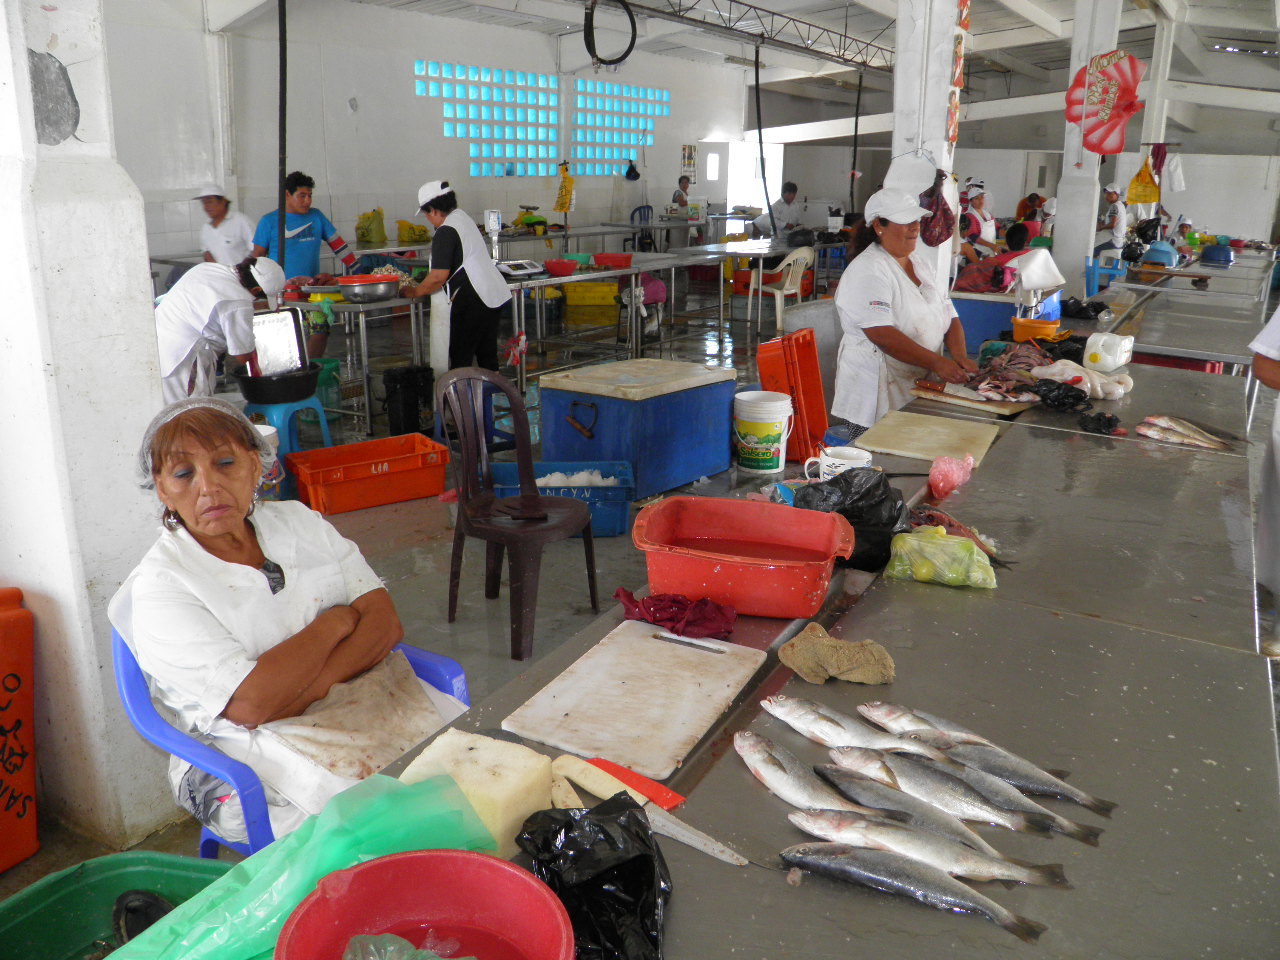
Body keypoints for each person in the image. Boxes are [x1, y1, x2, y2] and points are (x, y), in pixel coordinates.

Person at [108, 398, 466, 843]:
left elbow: (385, 624)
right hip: (234, 752)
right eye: (184, 474)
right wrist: (332, 625)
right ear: (162, 489)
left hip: (350, 703)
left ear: (255, 466)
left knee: (467, 774)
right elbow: (249, 707)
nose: (208, 487)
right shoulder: (162, 586)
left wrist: (305, 691)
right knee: (377, 832)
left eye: (225, 463)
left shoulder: (300, 523)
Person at [830, 188, 977, 430]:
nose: (915, 227)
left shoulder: (920, 264)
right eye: (905, 221)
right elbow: (882, 336)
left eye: (916, 220)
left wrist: (960, 357)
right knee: (875, 461)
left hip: (915, 382)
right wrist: (938, 363)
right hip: (875, 393)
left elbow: (949, 314)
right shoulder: (868, 270)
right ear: (879, 226)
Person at [399, 180, 512, 371]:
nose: (428, 219)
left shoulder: (446, 231)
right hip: (492, 296)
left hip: (473, 300)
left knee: (461, 359)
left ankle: (460, 399)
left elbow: (438, 276)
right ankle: (487, 399)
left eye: (426, 214)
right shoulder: (462, 218)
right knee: (487, 358)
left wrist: (414, 292)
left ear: (433, 210)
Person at [251, 171, 358, 358]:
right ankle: (293, 373)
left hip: (311, 292)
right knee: (287, 337)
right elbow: (257, 258)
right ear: (287, 195)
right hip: (281, 294)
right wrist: (254, 291)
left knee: (320, 330)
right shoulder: (269, 222)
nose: (307, 201)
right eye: (302, 196)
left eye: (310, 196)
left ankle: (311, 371)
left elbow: (339, 246)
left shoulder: (316, 217)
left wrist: (360, 273)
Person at [154, 257, 285, 404]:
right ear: (256, 290)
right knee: (191, 413)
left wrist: (254, 309)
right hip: (183, 357)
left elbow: (218, 307)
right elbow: (242, 356)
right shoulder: (238, 302)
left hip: (159, 343)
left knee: (169, 409)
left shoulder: (209, 269)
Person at [194, 184, 255, 266]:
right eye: (203, 203)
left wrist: (243, 271)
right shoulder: (206, 227)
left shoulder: (241, 221)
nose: (206, 207)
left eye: (210, 202)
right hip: (218, 277)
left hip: (240, 276)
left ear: (223, 202)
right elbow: (205, 251)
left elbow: (256, 250)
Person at [1094, 182, 1127, 258]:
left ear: (1117, 195)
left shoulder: (1114, 206)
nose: (1107, 196)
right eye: (1106, 193)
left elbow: (1112, 225)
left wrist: (1100, 228)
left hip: (1113, 241)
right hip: (1119, 241)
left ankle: (1094, 268)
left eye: (1110, 194)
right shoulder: (1121, 205)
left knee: (1092, 249)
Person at [965, 186, 999, 253]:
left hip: (990, 250)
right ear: (971, 201)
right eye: (977, 198)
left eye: (982, 197)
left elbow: (997, 228)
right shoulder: (970, 216)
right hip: (977, 251)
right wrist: (991, 245)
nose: (981, 200)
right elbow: (973, 236)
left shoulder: (988, 214)